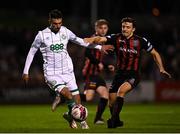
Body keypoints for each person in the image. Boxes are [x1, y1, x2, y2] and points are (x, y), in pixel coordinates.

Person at [22, 9, 114, 129]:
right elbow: (32, 52)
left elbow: (80, 41)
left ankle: (73, 118)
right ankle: (67, 107)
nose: (57, 26)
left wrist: (99, 47)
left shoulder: (65, 31)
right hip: (52, 73)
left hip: (67, 71)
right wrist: (25, 71)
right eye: (55, 23)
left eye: (59, 23)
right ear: (49, 21)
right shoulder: (41, 35)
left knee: (78, 100)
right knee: (68, 95)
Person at [84, 17, 171, 128]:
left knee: (121, 92)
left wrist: (161, 68)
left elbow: (155, 53)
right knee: (111, 101)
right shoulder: (116, 38)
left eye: (127, 27)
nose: (124, 29)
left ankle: (113, 121)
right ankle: (117, 121)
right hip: (119, 74)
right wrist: (88, 40)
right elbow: (101, 39)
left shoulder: (141, 41)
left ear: (133, 29)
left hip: (133, 74)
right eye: (123, 26)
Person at [82, 19, 115, 124]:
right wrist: (98, 63)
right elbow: (87, 52)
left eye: (105, 28)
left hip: (96, 73)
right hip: (90, 73)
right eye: (101, 28)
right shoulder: (94, 38)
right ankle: (66, 97)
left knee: (105, 95)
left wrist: (106, 65)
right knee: (88, 98)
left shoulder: (103, 40)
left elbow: (99, 58)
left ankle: (97, 119)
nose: (103, 30)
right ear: (96, 28)